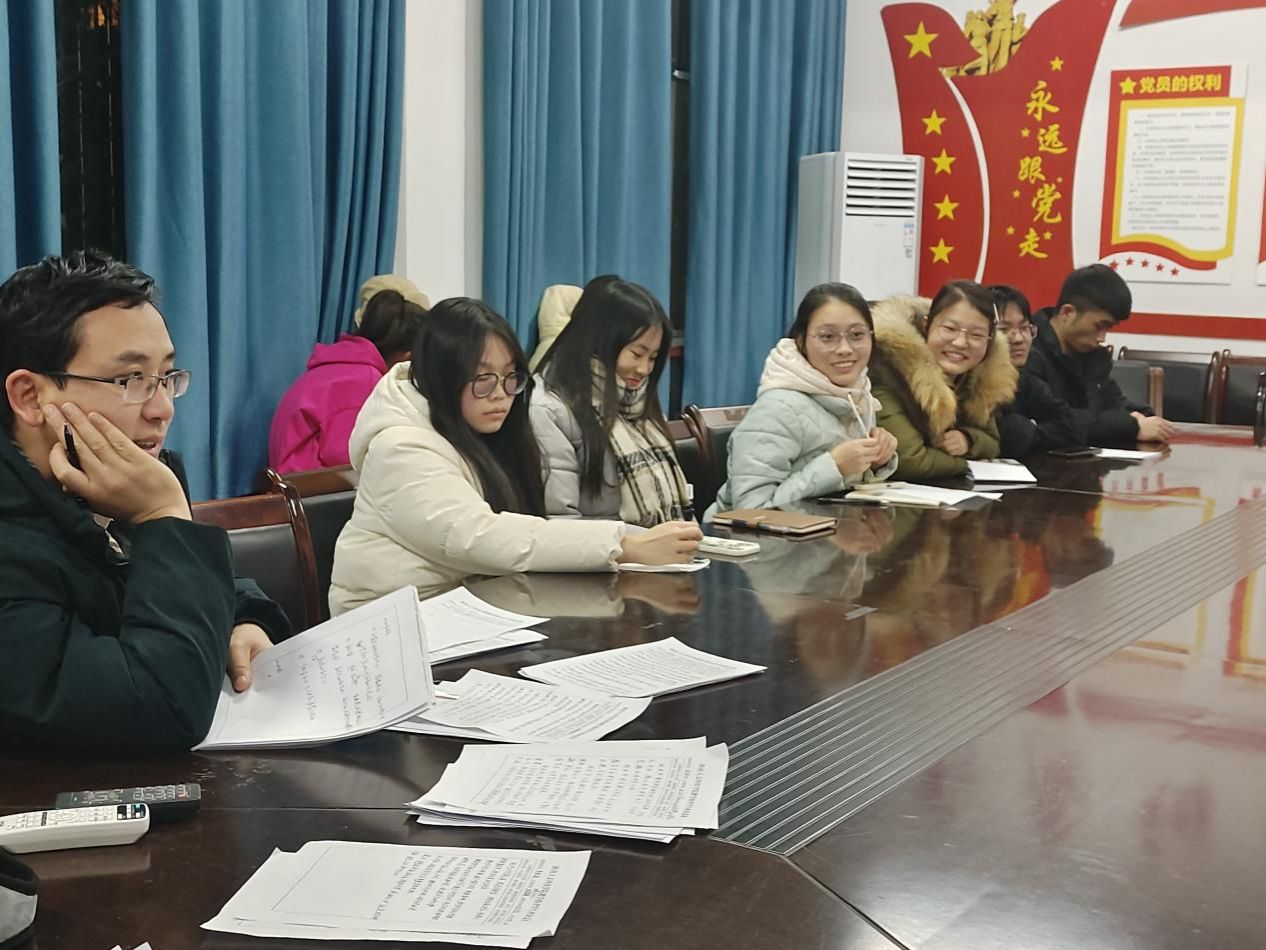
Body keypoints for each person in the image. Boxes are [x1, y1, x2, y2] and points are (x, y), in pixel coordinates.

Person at [0, 252, 291, 751]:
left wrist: (246, 621)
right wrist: (163, 516)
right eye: (130, 380)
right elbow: (162, 706)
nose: (162, 409)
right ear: (30, 397)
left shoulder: (107, 484)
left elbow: (223, 587)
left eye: (167, 378)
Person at [328, 297, 701, 613]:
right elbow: (480, 536)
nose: (501, 395)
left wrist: (649, 540)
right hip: (391, 629)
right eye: (483, 378)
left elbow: (526, 524)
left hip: (466, 611)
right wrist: (625, 546)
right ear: (442, 375)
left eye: (510, 377)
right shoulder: (400, 447)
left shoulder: (477, 429)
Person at [707, 282, 898, 516]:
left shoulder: (857, 395)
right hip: (752, 538)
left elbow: (841, 495)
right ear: (801, 340)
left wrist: (875, 461)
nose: (845, 349)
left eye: (857, 335)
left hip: (827, 535)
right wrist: (834, 467)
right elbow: (750, 511)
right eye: (827, 337)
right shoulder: (777, 409)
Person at [531, 275, 690, 524]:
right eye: (636, 354)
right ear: (599, 342)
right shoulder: (548, 409)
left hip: (658, 546)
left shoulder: (635, 401)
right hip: (608, 549)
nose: (644, 369)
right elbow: (559, 524)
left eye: (653, 358)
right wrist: (641, 542)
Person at [868, 281, 1017, 481]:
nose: (960, 343)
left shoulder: (978, 377)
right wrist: (969, 465)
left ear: (989, 342)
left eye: (976, 335)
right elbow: (909, 461)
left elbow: (992, 442)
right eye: (949, 328)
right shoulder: (888, 366)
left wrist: (969, 440)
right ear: (926, 326)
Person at [269, 289, 427, 473]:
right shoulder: (365, 380)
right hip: (309, 487)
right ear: (407, 357)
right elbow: (349, 460)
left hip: (290, 482)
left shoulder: (334, 365)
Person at [1024, 263, 1175, 445]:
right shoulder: (1027, 351)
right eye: (1099, 326)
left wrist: (1141, 417)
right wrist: (1130, 425)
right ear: (1067, 313)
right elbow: (1058, 420)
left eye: (1108, 328)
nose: (1102, 338)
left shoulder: (1090, 356)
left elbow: (1112, 402)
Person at [989, 284, 1086, 457]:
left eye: (1024, 327)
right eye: (1003, 329)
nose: (1018, 338)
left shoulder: (1023, 379)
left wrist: (1028, 431)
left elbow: (1073, 428)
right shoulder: (968, 381)